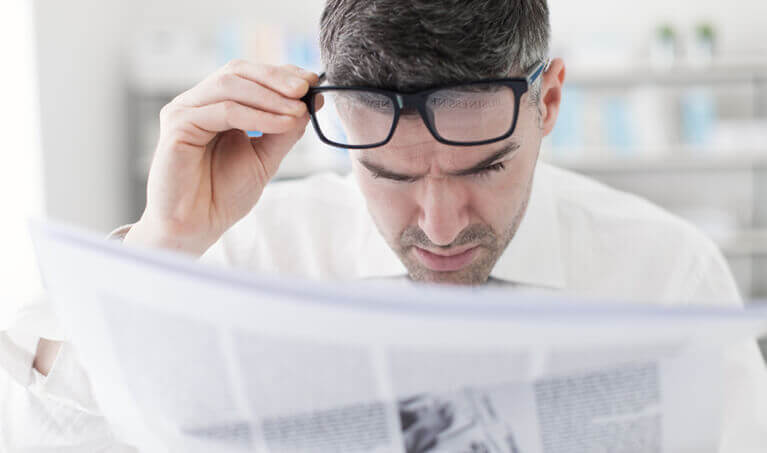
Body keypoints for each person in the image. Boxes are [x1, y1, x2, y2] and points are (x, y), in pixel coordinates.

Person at [2, 0, 766, 451]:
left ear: (550, 102)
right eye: (391, 175)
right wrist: (163, 242)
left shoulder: (669, 273)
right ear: (334, 121)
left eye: (484, 168)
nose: (437, 225)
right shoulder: (241, 255)